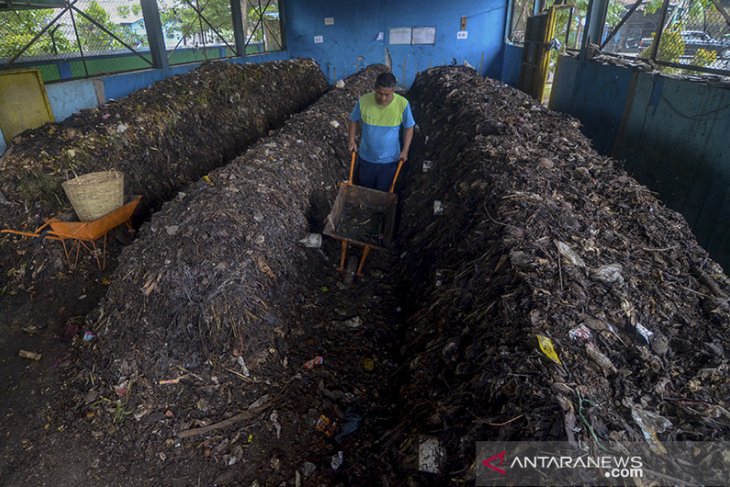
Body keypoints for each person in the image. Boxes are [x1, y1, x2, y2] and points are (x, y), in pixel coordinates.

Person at [348, 72, 415, 192]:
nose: (382, 98)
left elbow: (409, 127)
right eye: (379, 93)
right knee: (365, 188)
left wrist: (405, 150)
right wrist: (351, 141)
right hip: (366, 157)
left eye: (387, 95)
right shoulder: (364, 101)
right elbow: (353, 120)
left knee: (383, 190)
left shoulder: (403, 104)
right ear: (375, 88)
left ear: (393, 90)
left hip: (389, 160)